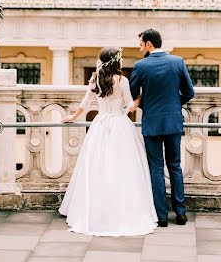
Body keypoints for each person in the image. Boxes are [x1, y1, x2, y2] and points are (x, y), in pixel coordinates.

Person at [59, 47, 158, 236]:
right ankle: (122, 210)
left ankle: (95, 211)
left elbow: (85, 103)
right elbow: (130, 107)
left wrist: (73, 116)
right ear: (116, 61)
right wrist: (141, 96)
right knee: (123, 168)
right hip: (120, 126)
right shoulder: (122, 81)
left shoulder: (95, 79)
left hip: (100, 125)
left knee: (97, 167)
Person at [129, 29, 195, 227]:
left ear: (149, 44)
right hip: (173, 121)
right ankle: (181, 212)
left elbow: (132, 95)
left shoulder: (140, 66)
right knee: (174, 166)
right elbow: (189, 92)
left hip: (152, 123)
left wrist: (146, 104)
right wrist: (175, 103)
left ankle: (161, 215)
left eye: (141, 44)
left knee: (156, 169)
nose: (140, 48)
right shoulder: (177, 62)